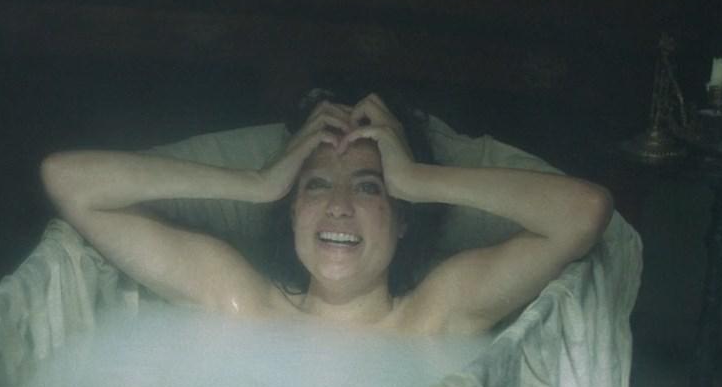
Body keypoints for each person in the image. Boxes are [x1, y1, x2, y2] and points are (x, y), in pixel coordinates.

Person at [41, 91, 613, 337]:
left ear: (402, 216)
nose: (338, 206)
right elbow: (69, 180)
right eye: (316, 186)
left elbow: (584, 213)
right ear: (292, 209)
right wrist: (257, 182)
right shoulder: (240, 300)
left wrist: (417, 178)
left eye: (368, 187)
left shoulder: (434, 316)